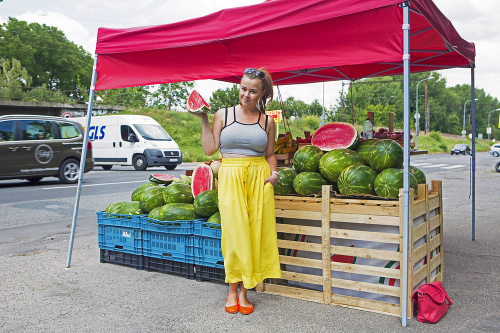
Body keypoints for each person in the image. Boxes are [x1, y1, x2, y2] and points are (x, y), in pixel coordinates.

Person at [188, 67, 281, 315]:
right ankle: (231, 288)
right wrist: (203, 119)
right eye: (243, 89)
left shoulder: (268, 121)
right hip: (230, 174)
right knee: (234, 232)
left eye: (252, 91)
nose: (246, 95)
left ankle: (244, 291)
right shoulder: (223, 114)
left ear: (262, 94)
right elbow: (210, 150)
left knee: (254, 233)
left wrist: (274, 175)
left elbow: (270, 154)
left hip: (259, 177)